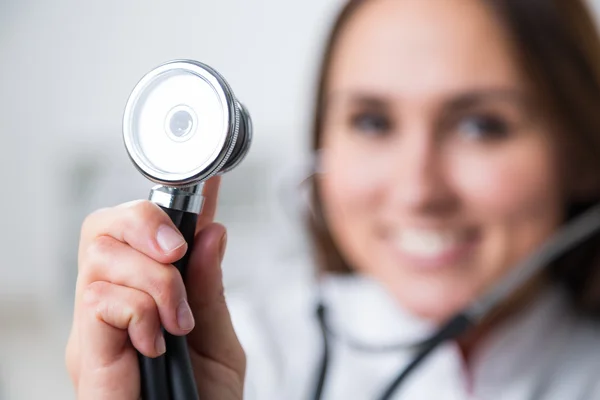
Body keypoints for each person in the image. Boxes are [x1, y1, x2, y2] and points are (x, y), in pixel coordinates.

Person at [66, 0, 600, 398]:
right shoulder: (230, 353)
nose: (418, 191)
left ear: (581, 153)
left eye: (482, 126)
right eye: (372, 122)